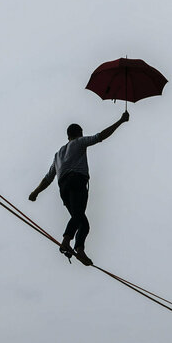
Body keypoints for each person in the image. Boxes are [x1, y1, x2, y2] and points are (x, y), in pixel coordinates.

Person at [28, 111, 130, 266]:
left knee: (83, 223)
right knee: (78, 215)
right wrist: (120, 121)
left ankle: (79, 249)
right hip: (77, 181)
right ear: (79, 133)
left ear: (68, 135)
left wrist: (35, 192)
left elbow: (48, 178)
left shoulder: (58, 154)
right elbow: (100, 136)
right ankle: (67, 241)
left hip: (63, 188)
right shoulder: (80, 142)